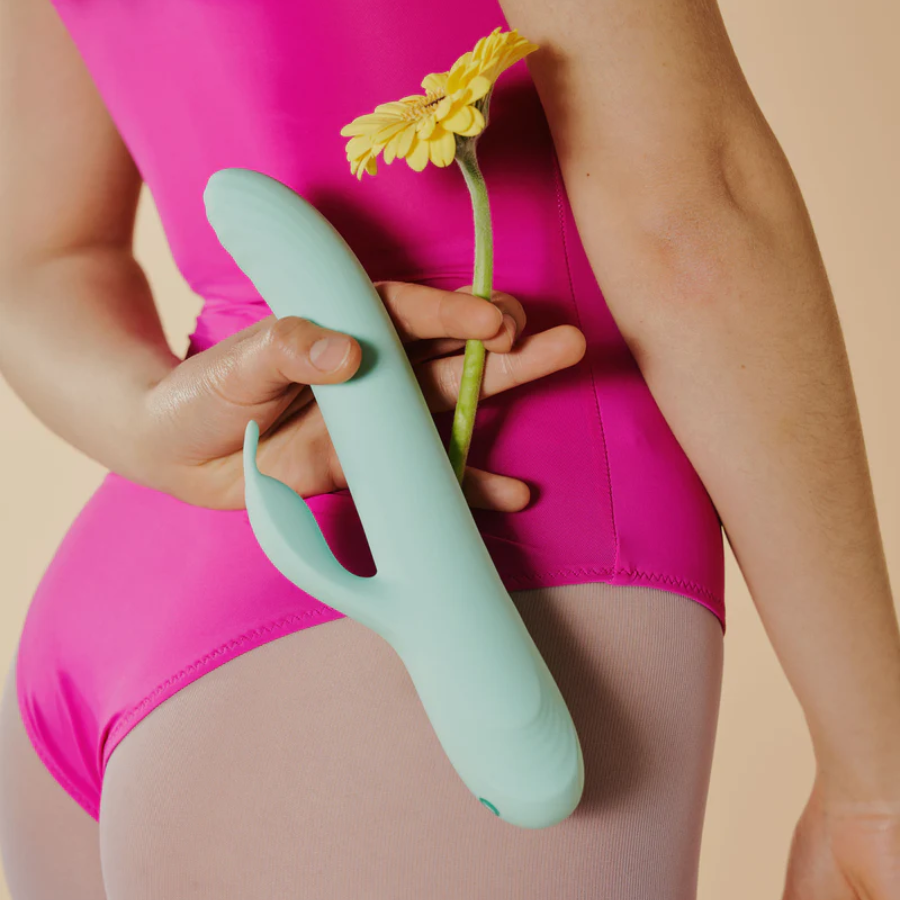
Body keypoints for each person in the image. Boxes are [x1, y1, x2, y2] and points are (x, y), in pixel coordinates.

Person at [0, 0, 897, 896]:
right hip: (502, 580)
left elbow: (42, 257)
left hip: (134, 588)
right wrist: (875, 781)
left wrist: (159, 428)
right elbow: (692, 213)